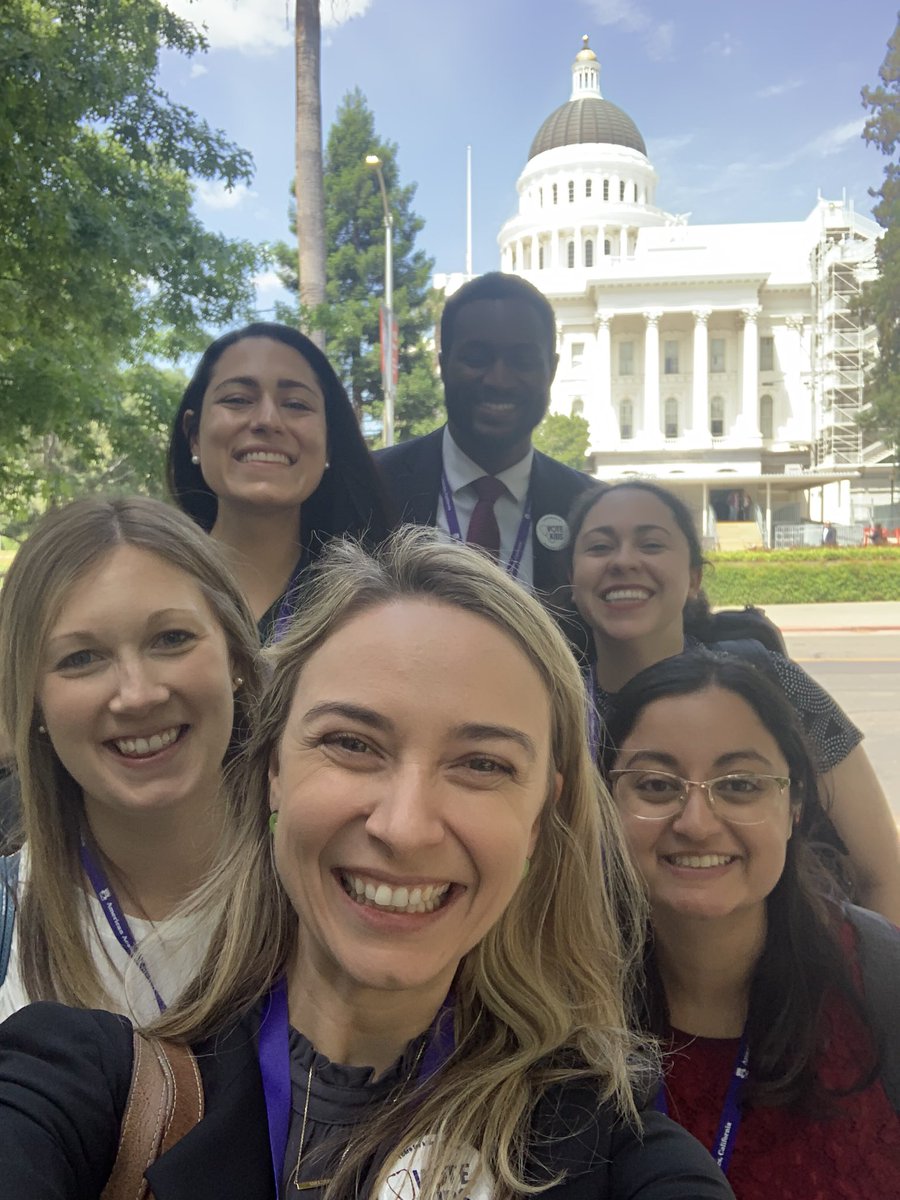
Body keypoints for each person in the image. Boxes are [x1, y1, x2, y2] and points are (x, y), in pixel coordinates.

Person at [0, 530, 733, 1200]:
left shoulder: (613, 1150)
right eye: (352, 744)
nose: (406, 827)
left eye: (482, 763)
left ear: (541, 815)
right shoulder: (88, 1084)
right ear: (273, 771)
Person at [600, 653, 900, 1198]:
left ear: (795, 808)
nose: (696, 823)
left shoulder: (883, 982)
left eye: (739, 784)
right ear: (607, 806)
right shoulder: (547, 1006)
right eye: (656, 785)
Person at [568, 479, 900, 924]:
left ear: (693, 578)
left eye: (651, 543)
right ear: (572, 579)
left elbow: (881, 871)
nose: (624, 561)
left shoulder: (771, 680)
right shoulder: (554, 711)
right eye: (599, 547)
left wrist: (873, 986)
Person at [0, 496, 262, 1022]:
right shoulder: (9, 919)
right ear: (34, 703)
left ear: (234, 653)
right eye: (81, 658)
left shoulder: (329, 895)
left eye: (171, 638)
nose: (137, 695)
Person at [374, 272, 595, 617]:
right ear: (443, 365)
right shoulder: (369, 488)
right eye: (477, 358)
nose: (499, 380)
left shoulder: (586, 508)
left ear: (551, 370)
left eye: (522, 361)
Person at [168, 321, 393, 642]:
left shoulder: (372, 606)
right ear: (193, 436)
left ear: (329, 443)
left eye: (296, 404)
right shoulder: (146, 584)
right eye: (237, 399)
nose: (267, 421)